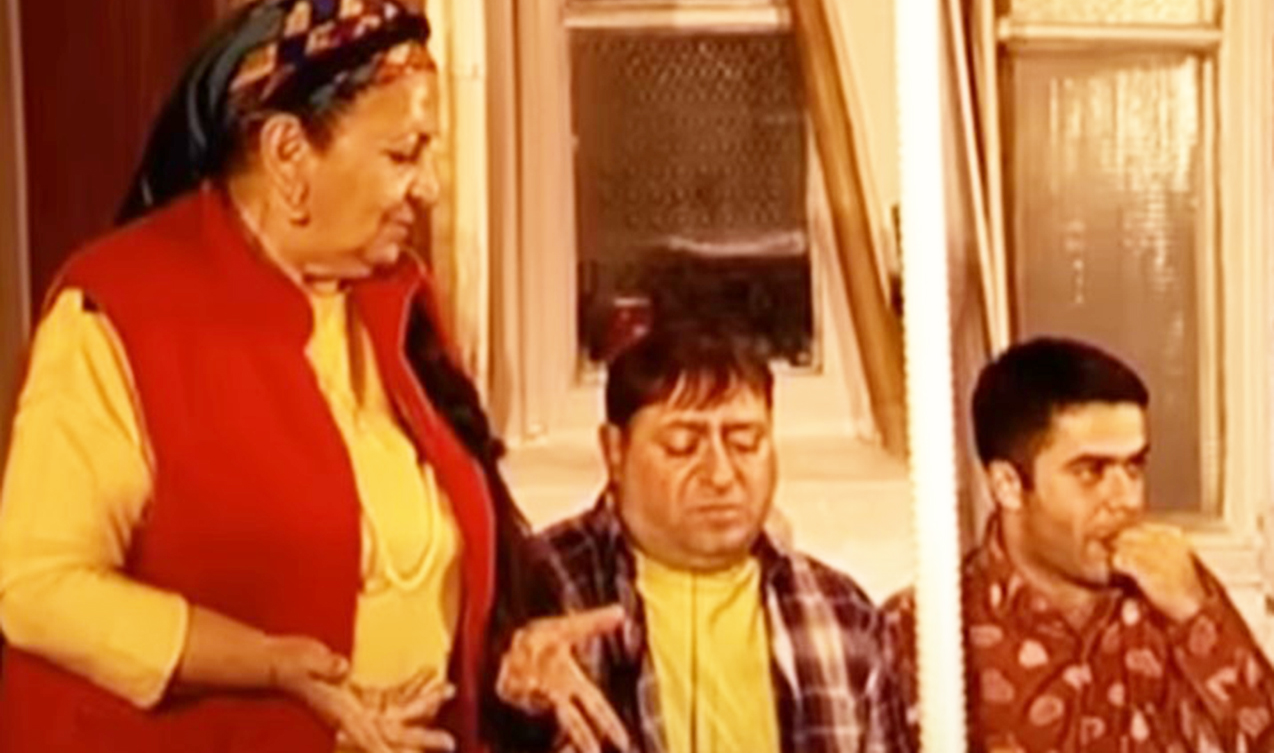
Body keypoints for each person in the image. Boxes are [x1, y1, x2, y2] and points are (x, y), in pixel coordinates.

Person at [0, 0, 535, 753]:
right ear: (287, 153)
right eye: (403, 154)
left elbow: (424, 559)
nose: (429, 188)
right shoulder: (121, 311)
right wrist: (269, 663)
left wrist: (507, 652)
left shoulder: (397, 301)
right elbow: (37, 588)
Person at [495, 325, 913, 753]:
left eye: (745, 443)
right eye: (683, 446)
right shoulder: (535, 585)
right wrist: (516, 704)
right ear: (614, 451)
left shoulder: (841, 613)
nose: (721, 474)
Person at [883, 337, 1274, 752]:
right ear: (1008, 485)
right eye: (1091, 471)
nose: (1128, 499)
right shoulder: (926, 631)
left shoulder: (1174, 593)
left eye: (1134, 466)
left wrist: (1197, 614)